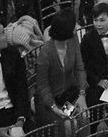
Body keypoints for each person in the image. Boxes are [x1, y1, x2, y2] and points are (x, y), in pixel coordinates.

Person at [34, 9, 87, 137]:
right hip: (50, 100)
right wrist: (54, 108)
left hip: (69, 93)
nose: (76, 28)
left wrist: (82, 95)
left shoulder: (73, 40)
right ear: (65, 31)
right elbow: (43, 86)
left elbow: (80, 68)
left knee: (84, 117)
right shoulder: (45, 53)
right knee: (68, 127)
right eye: (74, 26)